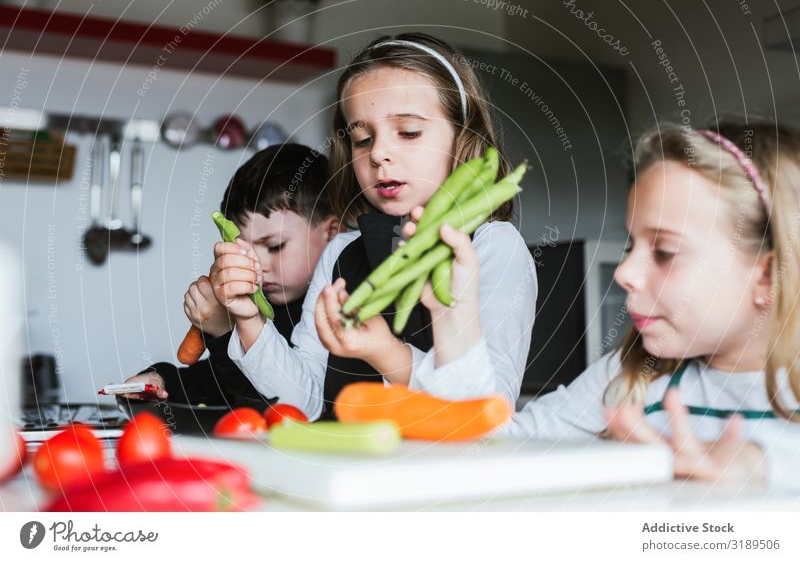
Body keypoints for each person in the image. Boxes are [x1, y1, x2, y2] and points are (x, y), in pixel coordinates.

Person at [212, 33, 537, 420]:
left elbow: (489, 412)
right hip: (346, 475)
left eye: (409, 132)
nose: (379, 152)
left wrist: (384, 351)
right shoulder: (341, 253)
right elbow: (308, 400)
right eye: (362, 138)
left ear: (462, 137)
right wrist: (250, 320)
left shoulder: (494, 246)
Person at [507, 120, 800, 490]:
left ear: (767, 276)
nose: (625, 272)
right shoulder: (633, 374)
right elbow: (510, 442)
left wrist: (758, 461)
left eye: (663, 252)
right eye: (632, 246)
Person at [123, 144, 341, 408]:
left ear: (332, 232)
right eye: (244, 250)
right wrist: (162, 381)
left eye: (275, 246)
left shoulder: (339, 308)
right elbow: (218, 384)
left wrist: (225, 333)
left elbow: (272, 401)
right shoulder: (260, 302)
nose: (257, 266)